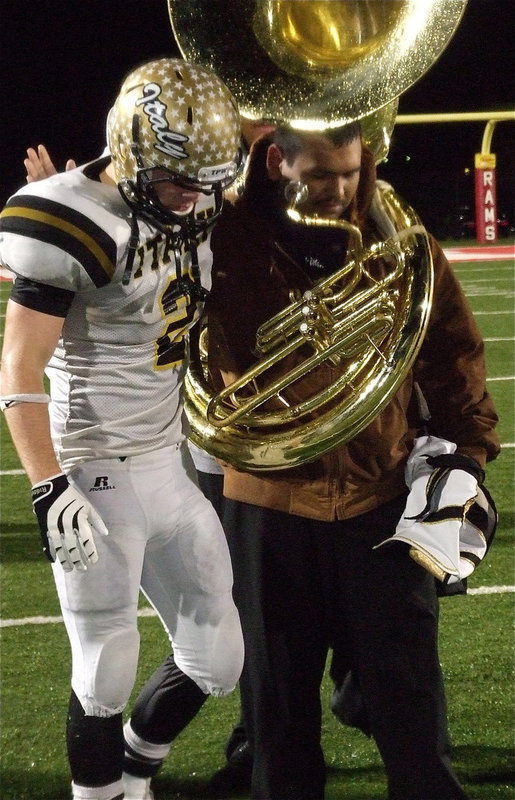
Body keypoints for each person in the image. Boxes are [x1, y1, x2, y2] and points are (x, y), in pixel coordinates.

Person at [199, 123, 500, 800]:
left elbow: (452, 351)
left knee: (412, 703)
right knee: (278, 715)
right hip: (268, 503)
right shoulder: (223, 237)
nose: (338, 190)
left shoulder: (398, 237)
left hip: (381, 496)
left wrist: (467, 456)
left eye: (350, 172)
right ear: (276, 163)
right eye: (319, 175)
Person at [0, 57, 245, 800]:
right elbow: (18, 369)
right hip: (93, 462)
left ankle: (135, 769)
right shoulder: (71, 223)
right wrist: (49, 486)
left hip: (165, 459)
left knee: (219, 658)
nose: (195, 197)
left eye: (205, 179)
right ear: (132, 152)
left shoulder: (191, 192)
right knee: (104, 664)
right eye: (178, 180)